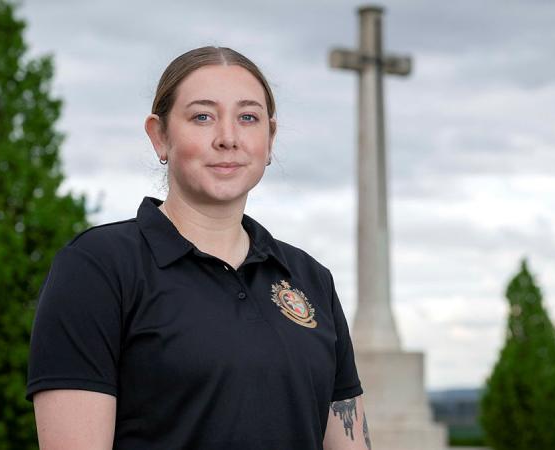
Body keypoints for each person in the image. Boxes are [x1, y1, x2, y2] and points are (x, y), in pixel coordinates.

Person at [27, 46, 372, 450]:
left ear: (270, 137)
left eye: (248, 118)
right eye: (202, 117)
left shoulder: (310, 279)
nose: (228, 138)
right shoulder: (97, 267)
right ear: (160, 136)